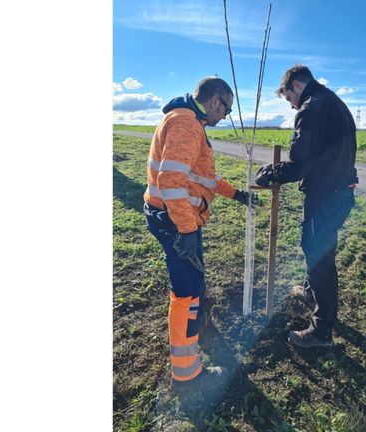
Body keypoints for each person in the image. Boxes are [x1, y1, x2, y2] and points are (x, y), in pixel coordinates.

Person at [144, 77, 258, 393]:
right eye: (228, 108)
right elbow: (171, 181)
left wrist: (236, 194)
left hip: (178, 220)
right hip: (176, 222)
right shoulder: (186, 124)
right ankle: (187, 375)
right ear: (214, 101)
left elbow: (204, 176)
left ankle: (196, 332)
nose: (226, 115)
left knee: (193, 286)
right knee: (187, 292)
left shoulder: (190, 122)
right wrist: (187, 230)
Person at [256, 65, 358, 348]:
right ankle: (313, 294)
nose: (291, 106)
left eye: (289, 99)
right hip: (338, 192)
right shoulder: (335, 103)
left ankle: (321, 331)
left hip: (326, 195)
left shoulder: (311, 108)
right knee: (316, 247)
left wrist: (271, 173)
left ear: (296, 87)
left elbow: (301, 163)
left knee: (319, 258)